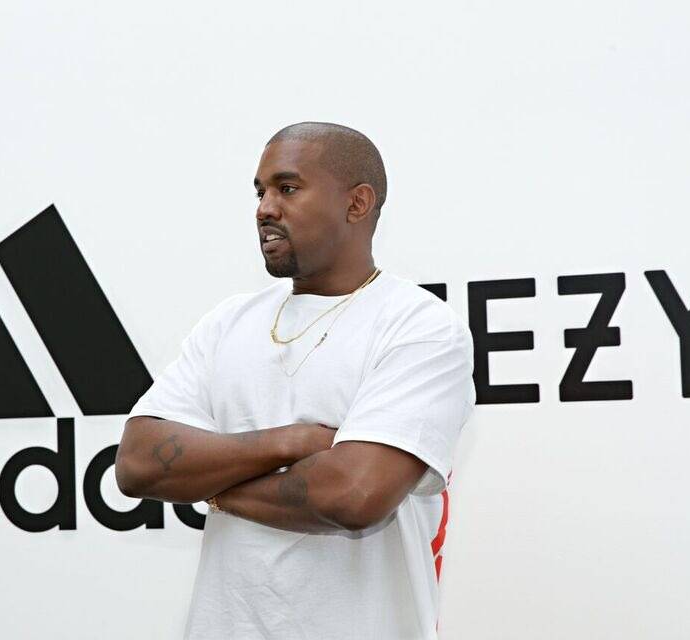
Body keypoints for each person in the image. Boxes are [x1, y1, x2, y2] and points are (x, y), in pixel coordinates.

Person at [115, 122, 476, 639]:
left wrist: (214, 489)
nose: (264, 208)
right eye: (259, 192)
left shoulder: (419, 326)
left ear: (357, 203)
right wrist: (297, 440)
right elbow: (137, 464)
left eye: (287, 188)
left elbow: (353, 494)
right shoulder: (228, 322)